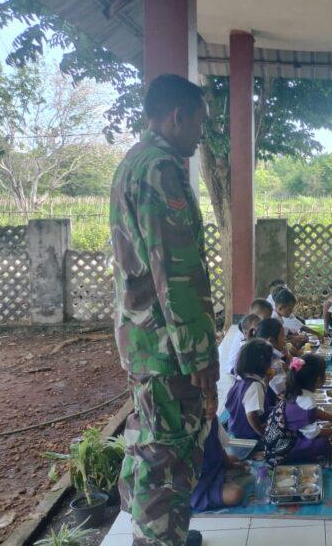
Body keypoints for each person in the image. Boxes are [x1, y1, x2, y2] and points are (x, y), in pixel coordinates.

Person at [110, 74, 217, 546]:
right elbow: (175, 274)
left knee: (148, 444)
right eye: (199, 123)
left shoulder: (132, 162)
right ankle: (158, 539)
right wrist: (200, 356)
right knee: (169, 456)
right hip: (167, 348)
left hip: (142, 341)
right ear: (178, 116)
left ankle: (154, 534)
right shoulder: (161, 169)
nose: (201, 134)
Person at [279, 356, 332, 462]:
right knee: (322, 444)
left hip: (284, 435)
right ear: (318, 379)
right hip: (284, 447)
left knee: (321, 431)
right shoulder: (308, 402)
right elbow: (312, 434)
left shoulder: (296, 390)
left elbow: (315, 412)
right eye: (324, 373)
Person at [190, 394, 245, 513]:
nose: (212, 405)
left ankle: (224, 478)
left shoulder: (213, 419)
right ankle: (224, 481)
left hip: (214, 468)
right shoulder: (189, 429)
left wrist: (230, 464)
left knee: (234, 458)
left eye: (214, 397)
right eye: (204, 399)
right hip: (199, 485)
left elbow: (220, 446)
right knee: (236, 494)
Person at [224, 339, 276, 440]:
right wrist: (261, 432)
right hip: (248, 434)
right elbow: (251, 415)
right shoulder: (255, 386)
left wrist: (266, 382)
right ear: (262, 363)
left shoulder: (241, 378)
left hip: (235, 427)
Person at [254, 317, 292, 395]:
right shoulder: (269, 361)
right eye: (282, 336)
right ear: (271, 340)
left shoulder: (270, 355)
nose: (285, 339)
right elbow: (282, 388)